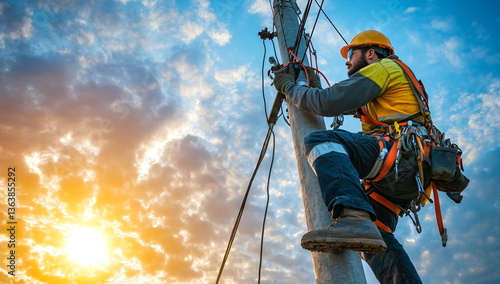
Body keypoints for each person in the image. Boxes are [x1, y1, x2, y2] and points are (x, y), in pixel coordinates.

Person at [273, 30, 424, 283]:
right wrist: (314, 88)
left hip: (399, 157)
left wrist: (289, 87)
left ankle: (352, 216)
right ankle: (360, 224)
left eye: (351, 53)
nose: (347, 60)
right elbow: (340, 100)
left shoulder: (384, 67)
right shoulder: (392, 79)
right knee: (373, 236)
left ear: (370, 53)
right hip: (410, 170)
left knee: (323, 140)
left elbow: (327, 102)